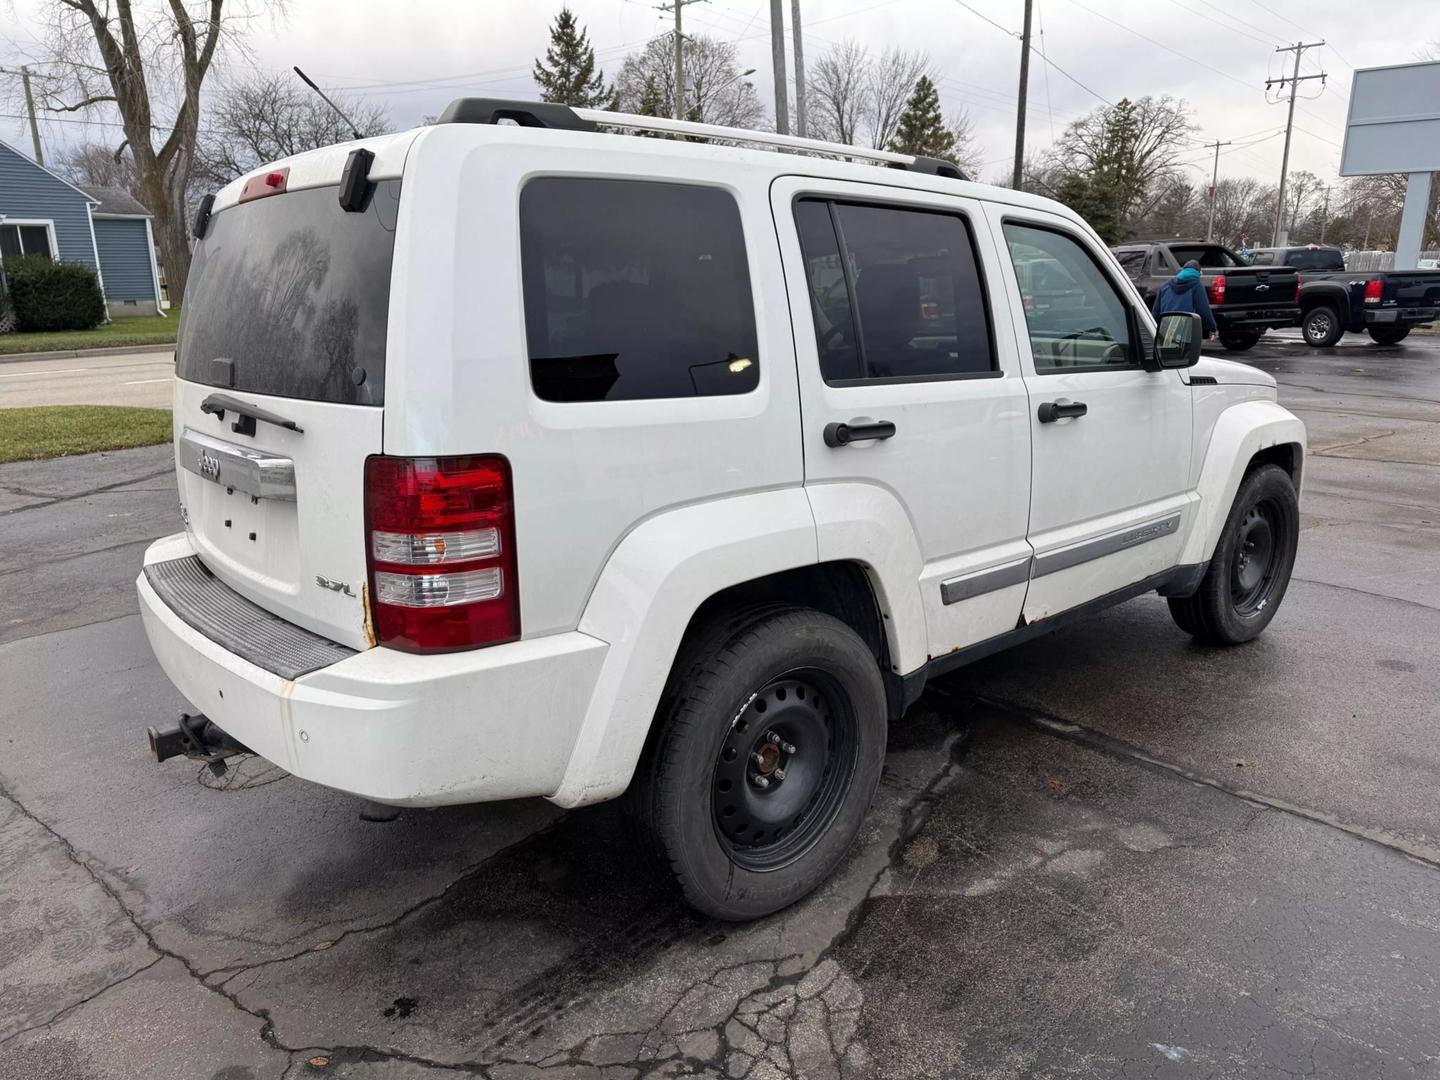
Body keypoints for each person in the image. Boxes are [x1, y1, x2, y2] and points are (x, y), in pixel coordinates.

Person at [1153, 259, 1217, 339]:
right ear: (1198, 273)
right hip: (1186, 333)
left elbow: (1156, 312)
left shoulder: (1165, 285)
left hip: (1166, 331)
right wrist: (1212, 328)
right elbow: (1203, 310)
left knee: (1167, 351)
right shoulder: (1196, 285)